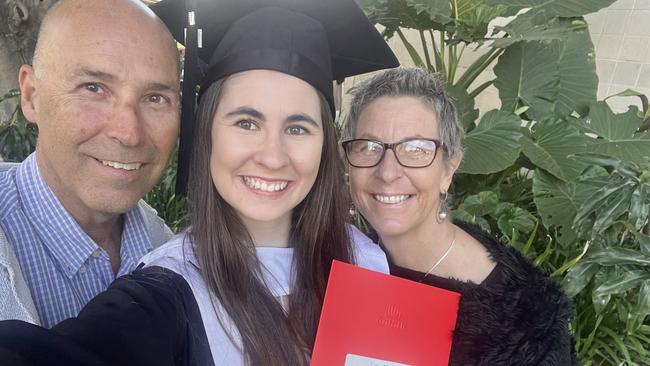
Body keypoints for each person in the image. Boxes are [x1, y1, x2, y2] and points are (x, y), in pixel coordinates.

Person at [0, 0, 399, 365]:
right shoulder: (168, 289)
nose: (273, 156)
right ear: (206, 134)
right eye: (246, 122)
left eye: (298, 128)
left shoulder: (367, 260)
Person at [342, 67, 579, 365]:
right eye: (368, 147)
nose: (388, 172)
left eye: (416, 149)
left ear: (448, 169)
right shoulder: (344, 262)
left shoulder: (526, 321)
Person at [0, 0, 179, 327]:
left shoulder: (166, 248)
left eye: (155, 98)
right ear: (31, 96)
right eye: (94, 88)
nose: (128, 133)